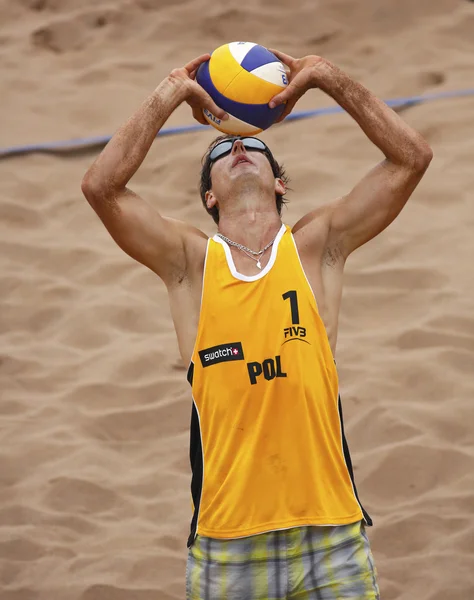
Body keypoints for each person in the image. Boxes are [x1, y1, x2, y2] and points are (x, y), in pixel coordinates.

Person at [81, 49, 432, 600]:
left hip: (331, 530)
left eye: (254, 144)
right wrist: (171, 90)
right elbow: (101, 187)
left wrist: (326, 77)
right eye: (223, 147)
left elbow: (411, 158)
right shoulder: (189, 264)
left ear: (279, 185)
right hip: (229, 541)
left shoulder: (318, 247)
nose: (239, 145)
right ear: (209, 197)